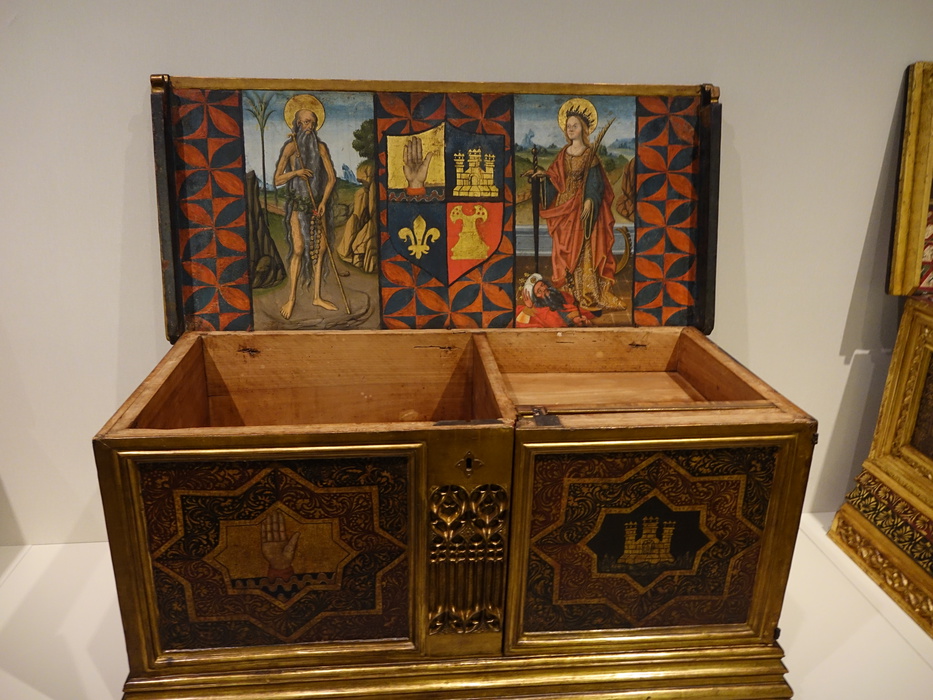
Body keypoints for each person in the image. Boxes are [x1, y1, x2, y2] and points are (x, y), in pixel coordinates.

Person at [530, 98, 626, 311]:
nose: (570, 129)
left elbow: (596, 183)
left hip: (582, 208)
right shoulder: (563, 153)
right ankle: (567, 293)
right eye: (568, 126)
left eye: (575, 125)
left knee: (584, 250)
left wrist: (590, 200)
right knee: (562, 250)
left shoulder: (590, 155)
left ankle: (588, 293)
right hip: (564, 208)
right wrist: (542, 177)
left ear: (584, 128)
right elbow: (556, 178)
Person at [274, 94, 338, 319]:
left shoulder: (320, 148)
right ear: (297, 124)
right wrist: (296, 172)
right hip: (297, 206)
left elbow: (331, 178)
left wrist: (323, 202)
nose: (308, 126)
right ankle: (291, 299)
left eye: (311, 122)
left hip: (316, 206)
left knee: (320, 250)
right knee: (299, 250)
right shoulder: (291, 148)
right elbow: (277, 179)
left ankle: (317, 296)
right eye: (304, 122)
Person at [516, 273, 594, 328]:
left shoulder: (563, 295)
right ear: (536, 298)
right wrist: (529, 308)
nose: (544, 289)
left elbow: (572, 310)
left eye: (543, 285)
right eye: (539, 291)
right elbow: (555, 322)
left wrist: (576, 319)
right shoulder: (539, 311)